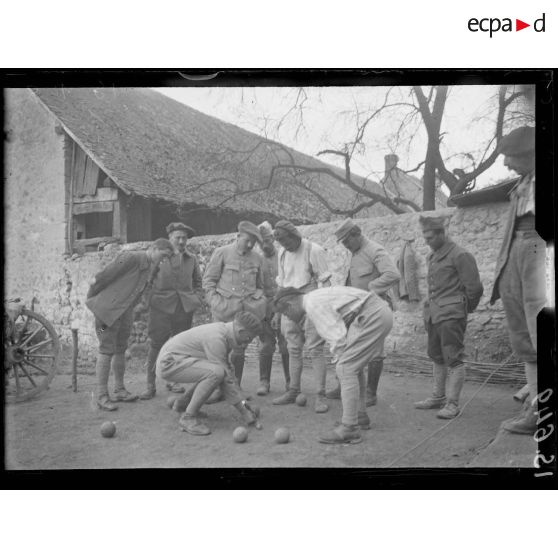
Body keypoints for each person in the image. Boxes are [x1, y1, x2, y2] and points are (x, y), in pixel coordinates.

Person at [273, 286, 393, 444]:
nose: (288, 317)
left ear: (291, 304)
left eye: (286, 313)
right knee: (352, 367)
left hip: (372, 315)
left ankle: (349, 428)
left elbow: (337, 337)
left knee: (345, 368)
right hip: (376, 312)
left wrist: (341, 362)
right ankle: (359, 416)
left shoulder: (313, 305)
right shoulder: (313, 299)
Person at [490, 126, 545, 435]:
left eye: (509, 157)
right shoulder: (521, 186)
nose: (506, 164)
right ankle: (537, 408)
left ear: (529, 152)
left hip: (540, 246)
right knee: (524, 338)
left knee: (543, 333)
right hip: (517, 248)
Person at [86, 238, 174, 411]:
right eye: (163, 255)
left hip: (124, 313)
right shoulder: (129, 257)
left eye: (167, 258)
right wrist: (95, 301)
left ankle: (119, 390)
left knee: (120, 348)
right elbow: (104, 275)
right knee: (106, 347)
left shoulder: (151, 266)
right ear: (154, 248)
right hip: (106, 314)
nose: (163, 260)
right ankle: (102, 395)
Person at [414, 215, 484, 419]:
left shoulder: (460, 255)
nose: (427, 242)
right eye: (425, 238)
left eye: (430, 238)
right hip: (434, 315)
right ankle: (438, 397)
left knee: (453, 358)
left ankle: (452, 404)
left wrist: (462, 309)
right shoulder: (433, 256)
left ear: (442, 234)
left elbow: (475, 288)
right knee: (436, 356)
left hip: (451, 315)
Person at [326, 218, 400, 406]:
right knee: (348, 346)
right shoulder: (355, 252)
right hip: (355, 308)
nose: (346, 246)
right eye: (343, 243)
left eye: (347, 241)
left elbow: (393, 274)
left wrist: (371, 288)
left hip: (375, 308)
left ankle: (370, 393)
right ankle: (345, 386)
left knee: (375, 350)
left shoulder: (375, 250)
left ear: (356, 234)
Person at [156, 311, 264, 436]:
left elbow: (229, 373)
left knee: (214, 371)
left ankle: (183, 404)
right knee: (216, 373)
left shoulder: (224, 333)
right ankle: (188, 418)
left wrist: (244, 403)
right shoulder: (216, 338)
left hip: (179, 360)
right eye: (248, 338)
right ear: (240, 330)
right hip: (169, 364)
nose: (248, 343)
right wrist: (245, 412)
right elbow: (225, 379)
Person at [202, 220, 274, 394]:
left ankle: (236, 388)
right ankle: (219, 388)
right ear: (238, 236)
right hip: (224, 310)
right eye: (247, 240)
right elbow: (208, 281)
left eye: (253, 242)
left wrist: (260, 302)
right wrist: (215, 302)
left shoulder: (258, 259)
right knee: (219, 349)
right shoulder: (222, 253)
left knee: (239, 350)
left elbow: (261, 285)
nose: (250, 245)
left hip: (247, 312)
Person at [271, 220, 332, 413]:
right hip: (289, 304)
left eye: (287, 242)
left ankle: (320, 395)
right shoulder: (282, 253)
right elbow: (281, 284)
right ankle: (293, 390)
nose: (285, 246)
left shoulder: (313, 250)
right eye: (281, 243)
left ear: (295, 235)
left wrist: (322, 311)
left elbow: (326, 283)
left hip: (311, 301)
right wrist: (277, 311)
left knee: (315, 349)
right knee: (293, 349)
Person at [140, 222, 204, 400]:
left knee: (178, 347)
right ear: (170, 238)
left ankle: (173, 381)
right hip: (160, 307)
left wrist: (196, 298)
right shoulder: (160, 257)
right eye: (178, 238)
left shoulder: (191, 259)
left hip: (183, 309)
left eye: (184, 238)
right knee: (156, 345)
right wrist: (150, 300)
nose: (182, 241)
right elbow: (147, 281)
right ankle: (150, 385)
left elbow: (198, 282)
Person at [255, 222, 290, 395]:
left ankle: (291, 382)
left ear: (274, 239)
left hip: (284, 306)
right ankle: (264, 382)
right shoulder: (255, 260)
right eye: (261, 242)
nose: (266, 244)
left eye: (268, 239)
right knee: (266, 345)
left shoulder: (284, 255)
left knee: (286, 345)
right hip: (264, 309)